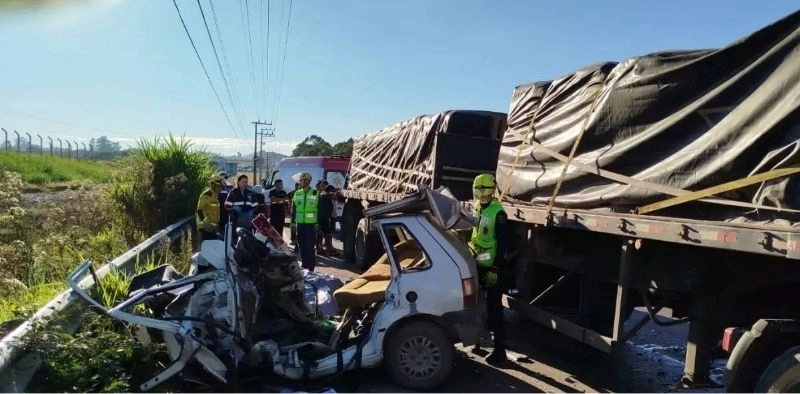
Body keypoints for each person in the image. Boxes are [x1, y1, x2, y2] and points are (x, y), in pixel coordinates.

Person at [468, 173, 510, 365]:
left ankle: (500, 352)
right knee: (478, 306)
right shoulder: (477, 208)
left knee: (495, 309)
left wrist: (495, 268)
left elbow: (503, 244)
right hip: (478, 264)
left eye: (485, 192)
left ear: (492, 192)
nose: (482, 195)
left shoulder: (498, 213)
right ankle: (478, 342)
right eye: (479, 192)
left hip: (493, 267)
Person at [292, 173, 319, 271]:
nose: (300, 182)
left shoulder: (315, 193)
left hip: (310, 224)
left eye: (301, 180)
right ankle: (304, 265)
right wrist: (292, 222)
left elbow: (319, 208)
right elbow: (294, 208)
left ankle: (311, 268)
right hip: (300, 224)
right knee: (301, 245)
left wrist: (318, 223)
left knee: (310, 246)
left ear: (307, 181)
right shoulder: (297, 193)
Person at [224, 174, 259, 244]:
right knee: (236, 241)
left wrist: (250, 214)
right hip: (236, 222)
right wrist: (234, 212)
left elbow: (256, 206)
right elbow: (227, 205)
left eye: (246, 182)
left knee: (248, 241)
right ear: (238, 182)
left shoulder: (251, 193)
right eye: (243, 182)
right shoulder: (233, 193)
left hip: (248, 223)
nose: (245, 184)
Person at [196, 175, 223, 241]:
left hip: (212, 227)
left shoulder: (215, 196)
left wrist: (215, 225)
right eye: (218, 186)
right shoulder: (206, 195)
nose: (220, 188)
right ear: (212, 185)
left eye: (220, 186)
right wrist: (207, 223)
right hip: (205, 227)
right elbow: (200, 210)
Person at [317, 181, 338, 255]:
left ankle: (319, 249)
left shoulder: (321, 195)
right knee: (327, 234)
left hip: (319, 218)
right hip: (324, 218)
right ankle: (329, 250)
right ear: (329, 191)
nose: (333, 193)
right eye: (332, 192)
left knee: (319, 233)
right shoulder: (327, 197)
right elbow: (329, 208)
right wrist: (328, 216)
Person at [288, 181, 300, 245]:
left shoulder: (303, 193)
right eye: (297, 185)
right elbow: (289, 203)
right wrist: (289, 210)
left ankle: (298, 240)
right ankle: (293, 239)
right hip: (294, 212)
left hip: (300, 213)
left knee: (299, 228)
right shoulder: (291, 193)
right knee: (293, 227)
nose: (298, 187)